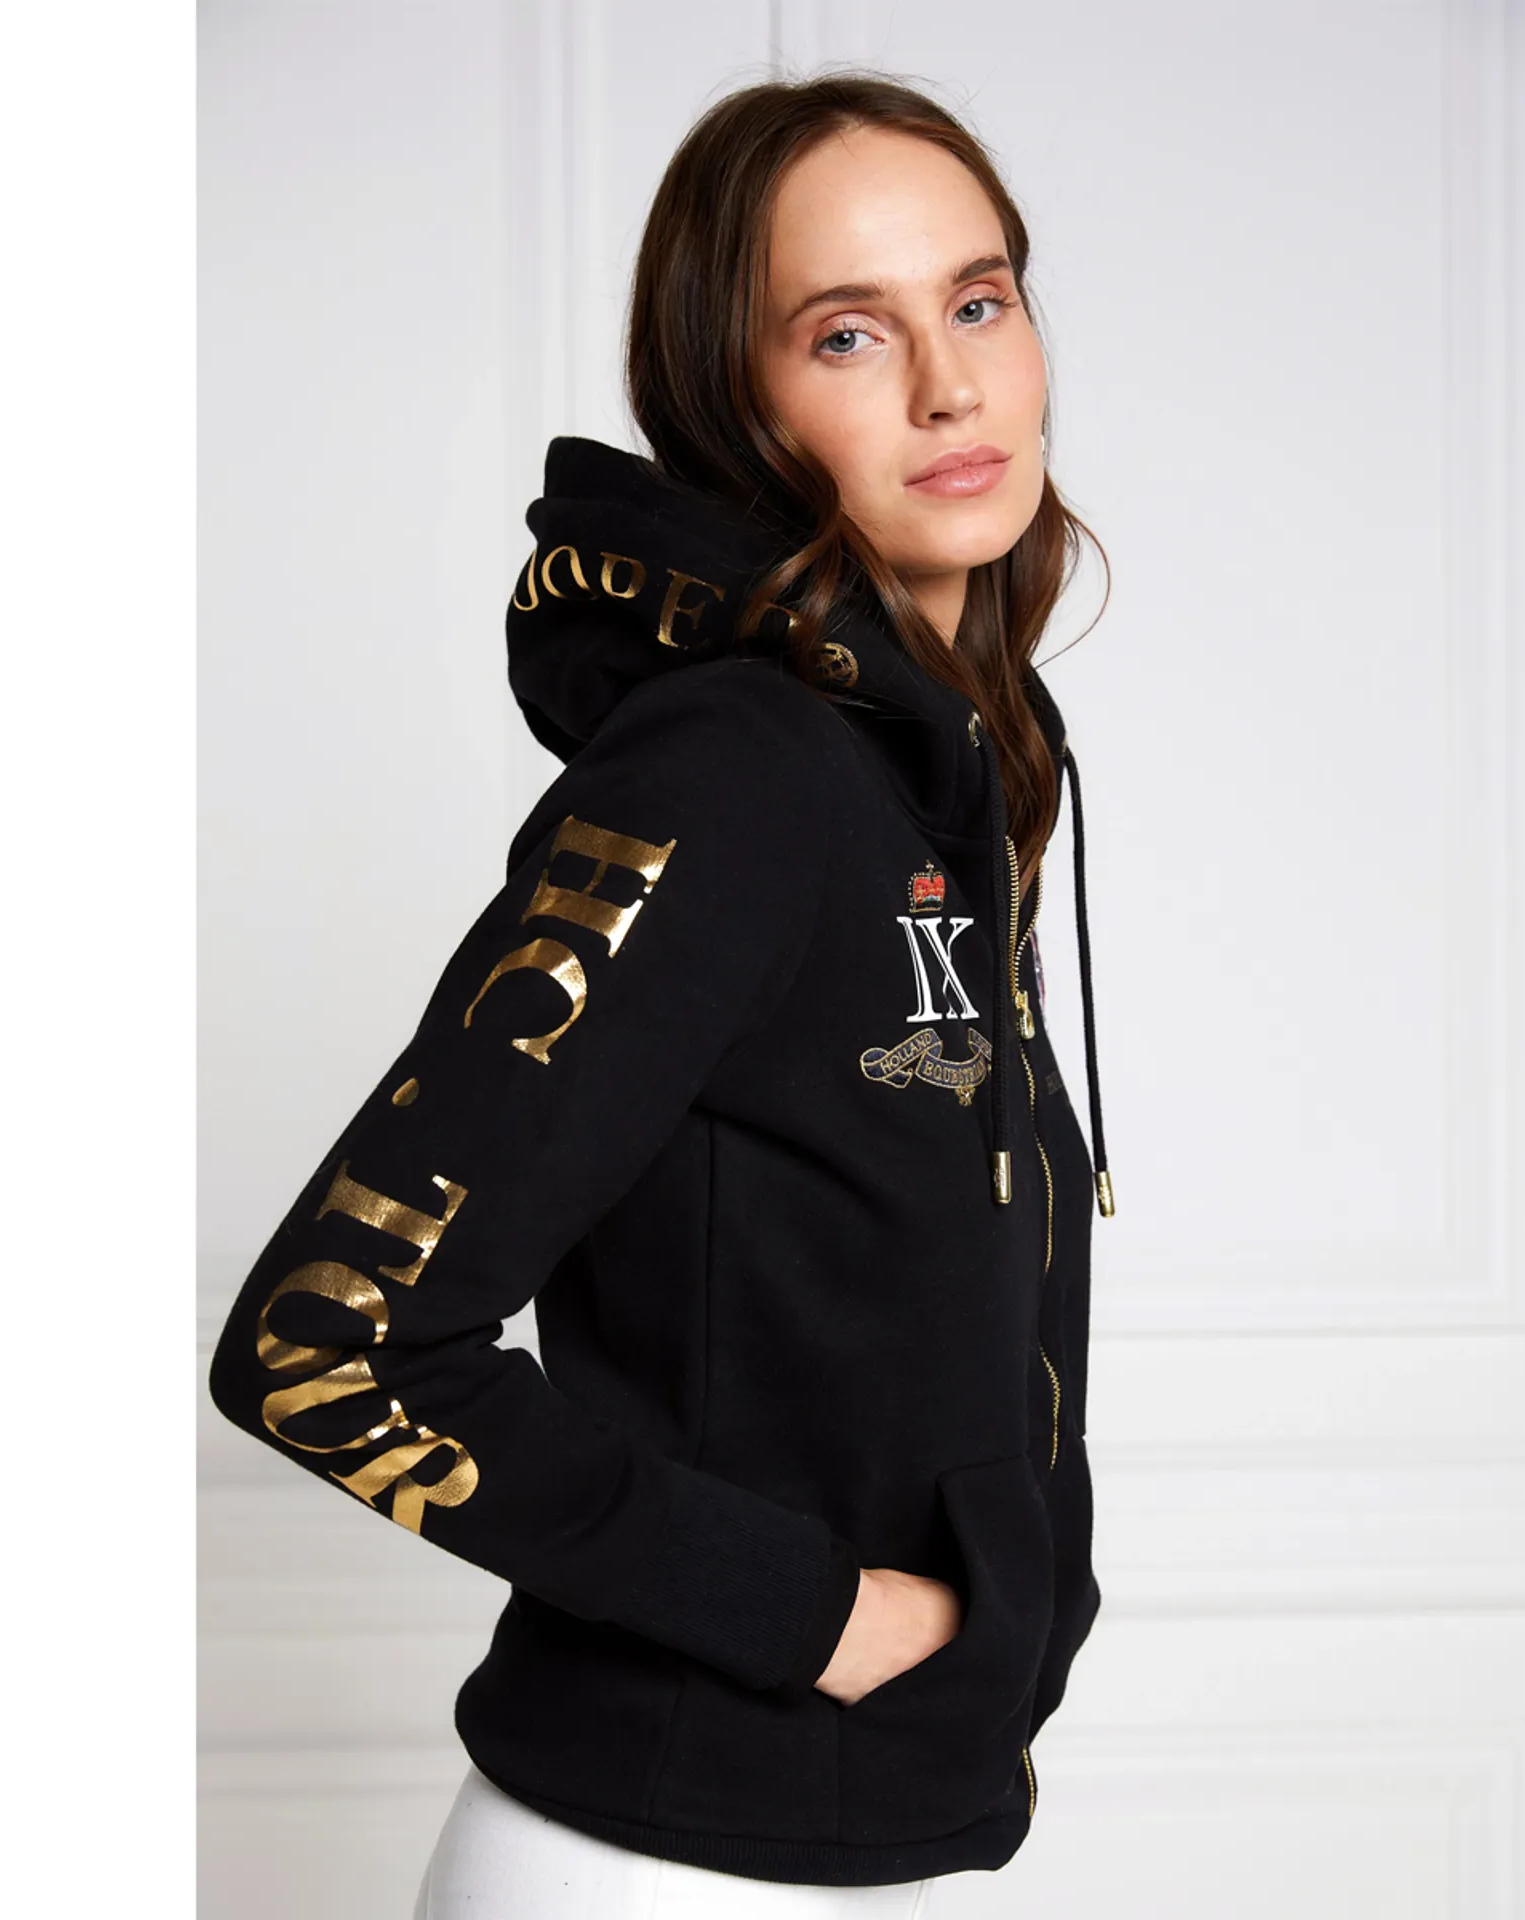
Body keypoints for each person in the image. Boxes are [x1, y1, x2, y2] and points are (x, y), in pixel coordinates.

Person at [208, 69, 1114, 1918]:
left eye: (979, 300)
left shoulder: (951, 774)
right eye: (846, 333)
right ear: (736, 402)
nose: (950, 387)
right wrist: (821, 1617)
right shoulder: (739, 775)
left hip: (883, 1836)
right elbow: (328, 1341)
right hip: (661, 1862)